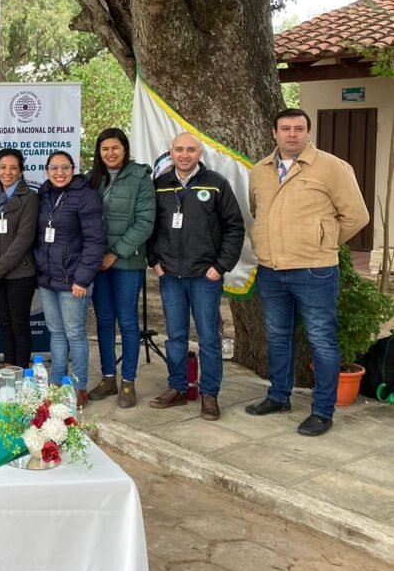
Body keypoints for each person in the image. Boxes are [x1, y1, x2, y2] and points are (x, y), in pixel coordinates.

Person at [246, 109, 369, 436]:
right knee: (277, 336)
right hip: (271, 271)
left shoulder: (331, 167)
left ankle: (323, 411)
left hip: (314, 270)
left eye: (299, 128)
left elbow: (356, 215)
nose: (292, 134)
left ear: (307, 132)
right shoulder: (259, 171)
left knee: (321, 340)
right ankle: (278, 396)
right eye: (285, 128)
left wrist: (323, 243)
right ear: (274, 133)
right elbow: (257, 211)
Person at [147, 133, 244, 421]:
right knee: (175, 336)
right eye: (179, 150)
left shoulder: (216, 183)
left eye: (191, 150)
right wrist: (154, 260)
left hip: (205, 276)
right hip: (170, 277)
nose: (185, 154)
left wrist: (221, 265)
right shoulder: (160, 185)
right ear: (171, 153)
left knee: (208, 338)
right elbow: (150, 227)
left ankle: (209, 394)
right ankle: (177, 387)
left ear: (199, 153)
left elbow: (234, 227)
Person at [87, 128, 156, 409]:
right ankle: (108, 377)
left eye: (115, 148)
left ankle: (128, 381)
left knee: (127, 321)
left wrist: (114, 253)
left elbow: (145, 223)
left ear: (125, 149)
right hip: (96, 262)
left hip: (127, 262)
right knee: (104, 321)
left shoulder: (140, 178)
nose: (110, 154)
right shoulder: (92, 179)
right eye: (105, 149)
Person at [33, 150, 104, 406]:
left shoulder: (86, 197)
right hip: (48, 278)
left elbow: (95, 241)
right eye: (54, 168)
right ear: (46, 170)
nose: (59, 173)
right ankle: (56, 383)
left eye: (65, 167)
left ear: (73, 169)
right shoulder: (44, 194)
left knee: (75, 334)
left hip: (74, 280)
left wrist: (83, 279)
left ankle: (79, 386)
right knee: (56, 333)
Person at [0, 148, 39, 369]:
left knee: (19, 324)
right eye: (3, 167)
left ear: (21, 171)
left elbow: (24, 239)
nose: (8, 172)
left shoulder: (30, 198)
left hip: (20, 274)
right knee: (5, 323)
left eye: (13, 167)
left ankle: (22, 371)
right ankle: (8, 367)